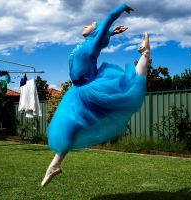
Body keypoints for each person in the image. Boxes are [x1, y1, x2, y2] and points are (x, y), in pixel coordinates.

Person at [41, 3, 150, 187]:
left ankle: (146, 54)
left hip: (90, 88)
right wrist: (112, 33)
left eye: (90, 23)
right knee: (69, 127)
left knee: (129, 89)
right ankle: (54, 166)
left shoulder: (92, 44)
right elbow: (103, 32)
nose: (86, 25)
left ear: (96, 31)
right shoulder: (86, 43)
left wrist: (123, 6)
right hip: (76, 91)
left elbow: (108, 18)